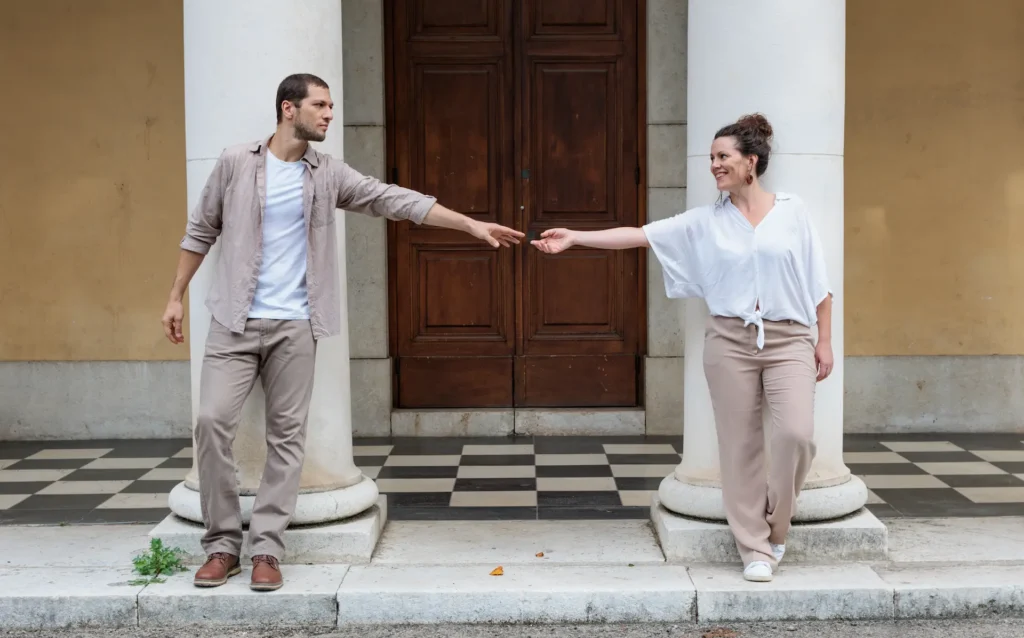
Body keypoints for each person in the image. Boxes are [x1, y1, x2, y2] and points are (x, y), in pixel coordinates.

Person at [161, 73, 523, 591]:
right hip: (232, 322)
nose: (330, 114)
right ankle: (222, 545)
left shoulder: (326, 173)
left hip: (296, 325)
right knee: (212, 423)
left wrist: (469, 225)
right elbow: (200, 230)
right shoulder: (236, 162)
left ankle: (266, 549)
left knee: (286, 437)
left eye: (331, 105)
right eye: (321, 105)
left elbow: (393, 199)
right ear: (289, 109)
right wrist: (175, 295)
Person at [532, 114, 833, 583]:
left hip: (790, 337)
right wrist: (576, 237)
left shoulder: (793, 211)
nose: (713, 165)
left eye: (722, 157)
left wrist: (825, 341)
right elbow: (639, 234)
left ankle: (778, 523)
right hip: (730, 340)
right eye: (711, 158)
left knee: (796, 435)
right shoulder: (705, 221)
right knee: (739, 446)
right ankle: (754, 546)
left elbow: (819, 283)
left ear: (751, 162)